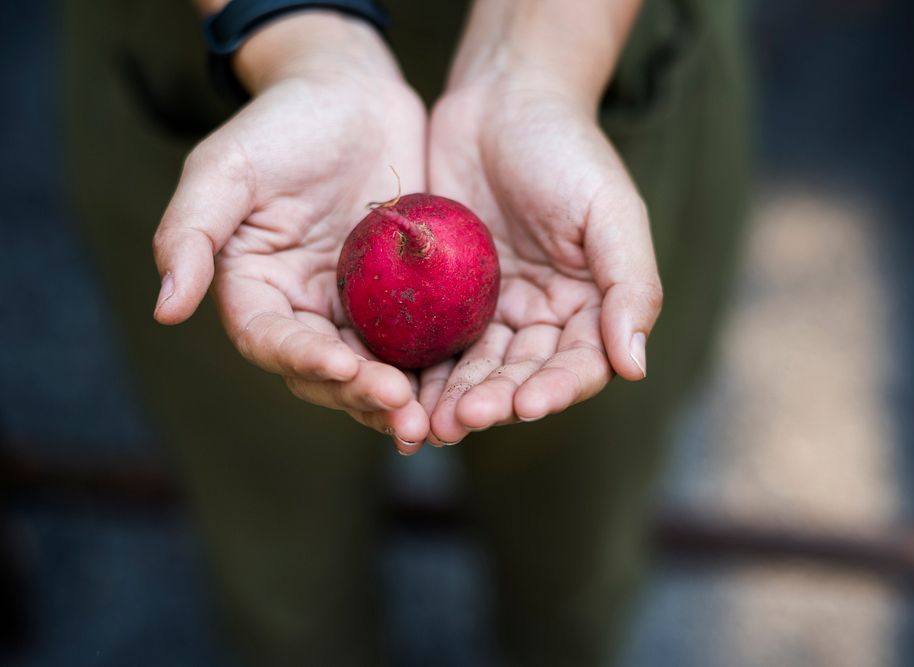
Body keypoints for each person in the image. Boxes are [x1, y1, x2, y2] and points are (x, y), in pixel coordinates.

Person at [63, 0, 748, 663]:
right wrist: (296, 35)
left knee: (578, 529)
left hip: (586, 43)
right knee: (275, 526)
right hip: (234, 51)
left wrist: (541, 57)